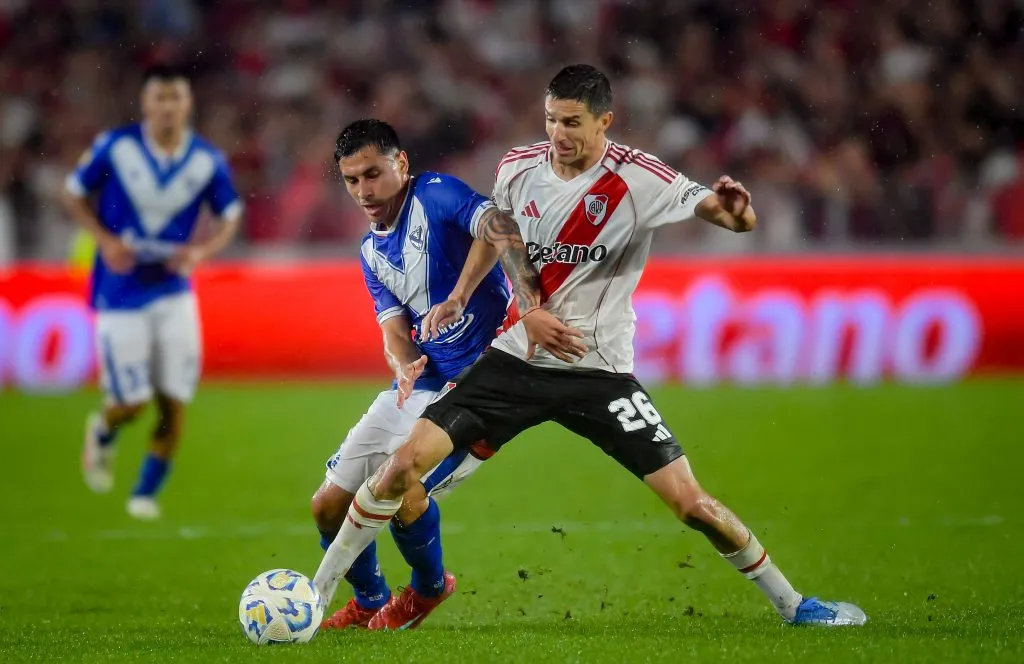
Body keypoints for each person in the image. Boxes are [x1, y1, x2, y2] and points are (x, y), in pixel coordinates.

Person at [314, 65, 867, 628]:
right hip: (518, 359)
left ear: (605, 121)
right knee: (401, 468)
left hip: (598, 371)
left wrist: (738, 209)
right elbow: (496, 236)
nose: (559, 133)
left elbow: (730, 217)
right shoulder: (517, 167)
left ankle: (795, 604)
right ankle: (319, 601)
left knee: (689, 503)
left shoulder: (638, 178)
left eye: (572, 122)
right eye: (551, 119)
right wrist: (467, 296)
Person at [314, 119, 585, 631]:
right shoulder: (370, 251)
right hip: (422, 384)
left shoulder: (436, 195)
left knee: (400, 488)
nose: (363, 191)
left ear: (401, 164)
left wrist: (479, 297)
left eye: (372, 174)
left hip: (481, 387)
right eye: (351, 180)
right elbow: (394, 330)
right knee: (328, 505)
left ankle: (428, 588)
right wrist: (403, 363)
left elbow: (500, 226)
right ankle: (369, 599)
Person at [61, 64, 242, 520]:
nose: (167, 107)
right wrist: (104, 240)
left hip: (173, 288)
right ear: (145, 103)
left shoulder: (206, 160)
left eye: (175, 97)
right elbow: (73, 193)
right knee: (132, 401)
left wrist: (201, 251)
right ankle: (103, 429)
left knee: (173, 399)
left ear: (188, 103)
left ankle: (144, 494)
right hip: (120, 289)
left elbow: (230, 215)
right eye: (159, 98)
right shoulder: (116, 146)